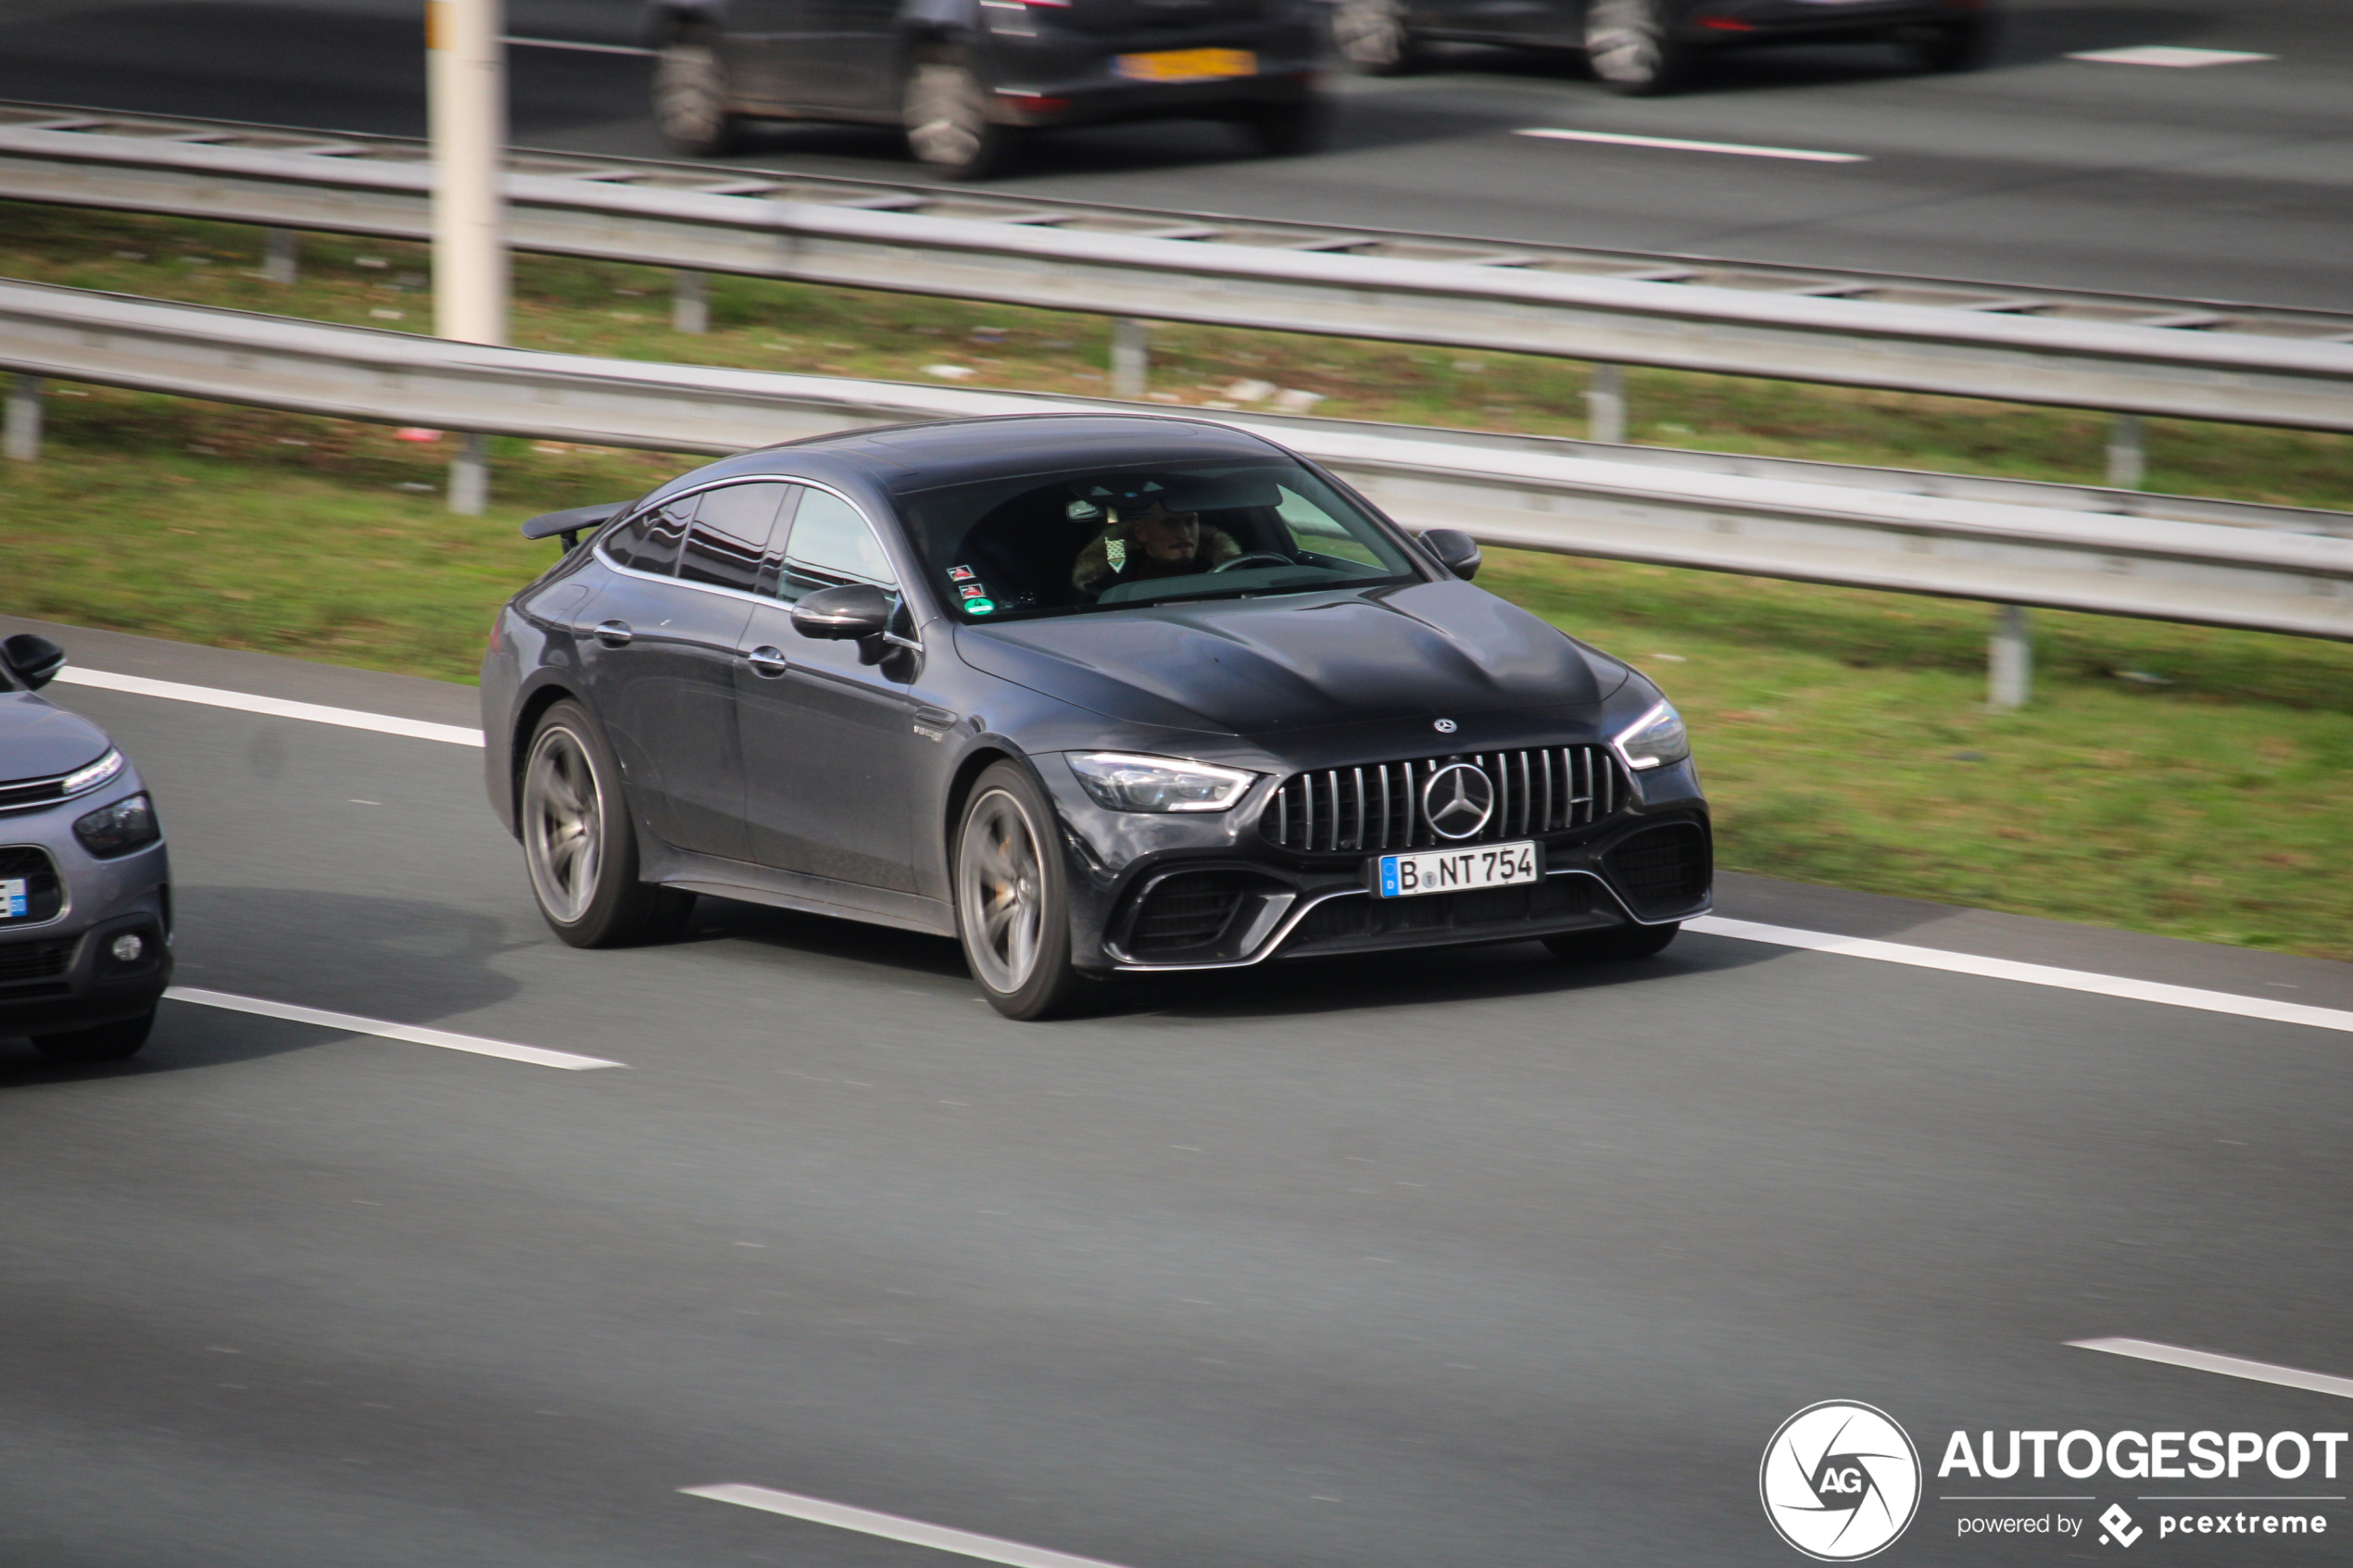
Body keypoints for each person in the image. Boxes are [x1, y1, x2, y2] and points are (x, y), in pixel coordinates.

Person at [1072, 496, 1239, 595]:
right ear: (1141, 532)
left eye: (1190, 522)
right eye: (1169, 524)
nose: (1184, 534)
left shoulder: (1232, 577)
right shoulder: (1111, 584)